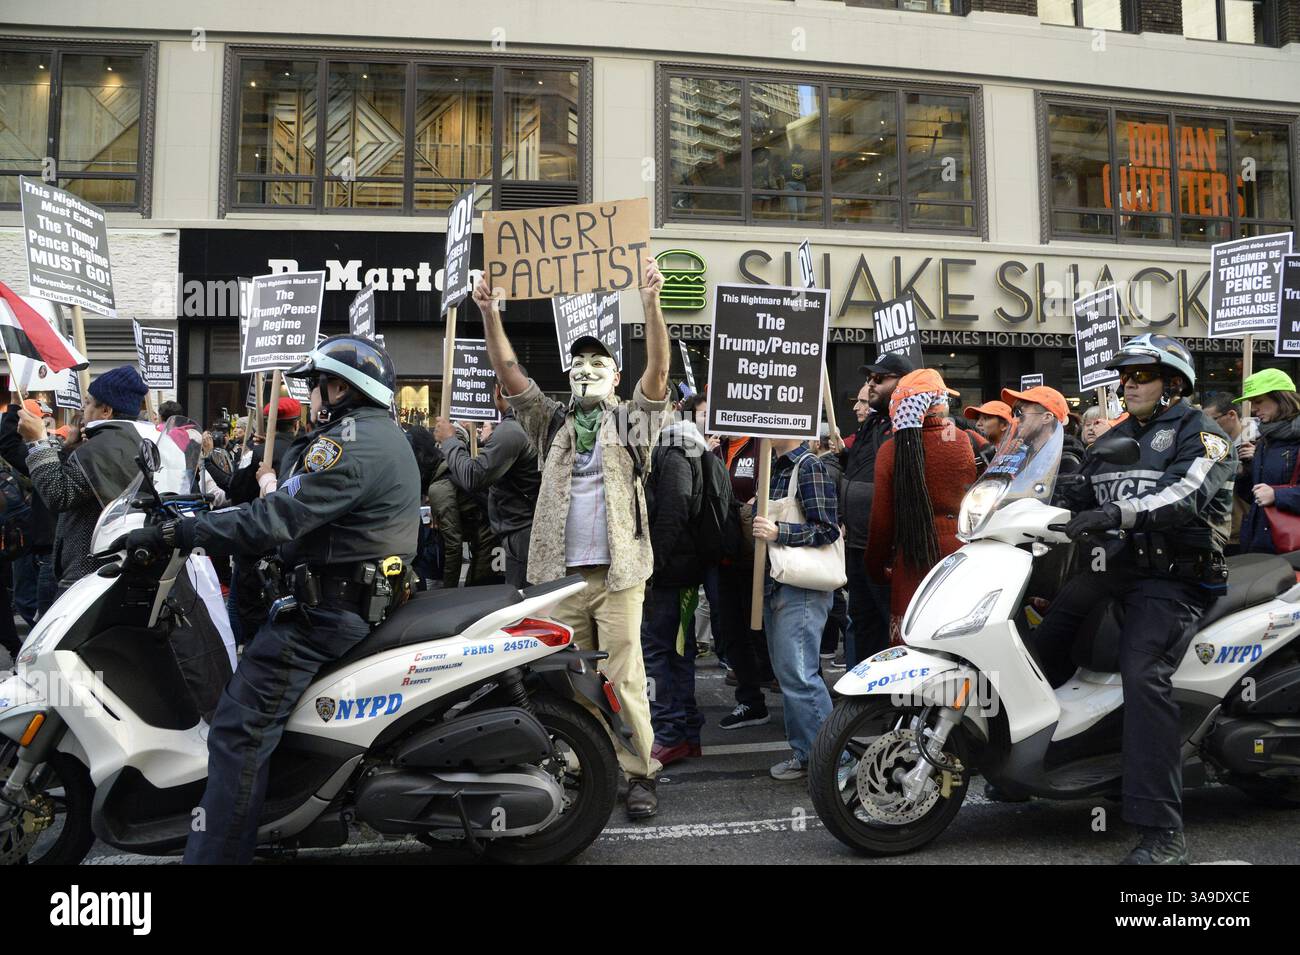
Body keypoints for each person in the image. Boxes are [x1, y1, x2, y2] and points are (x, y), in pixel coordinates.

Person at [126, 335, 421, 864]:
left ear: (341, 388)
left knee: (239, 729)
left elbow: (274, 519)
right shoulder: (374, 435)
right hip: (344, 601)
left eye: (318, 386)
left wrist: (181, 535)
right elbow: (288, 510)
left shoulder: (349, 444)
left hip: (327, 615)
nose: (312, 397)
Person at [476, 259, 670, 820]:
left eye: (599, 363)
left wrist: (651, 304)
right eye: (578, 362)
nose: (587, 369)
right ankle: (585, 765)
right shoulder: (551, 424)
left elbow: (657, 371)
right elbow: (511, 374)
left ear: (614, 376)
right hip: (559, 579)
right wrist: (492, 314)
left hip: (618, 576)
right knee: (567, 682)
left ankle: (639, 772)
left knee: (623, 677)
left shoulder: (632, 423)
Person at [1033, 333, 1233, 865]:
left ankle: (1162, 830)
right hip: (1115, 571)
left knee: (1144, 675)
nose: (1128, 384)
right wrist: (1027, 511)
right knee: (1043, 643)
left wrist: (1117, 515)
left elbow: (1185, 495)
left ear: (1173, 383)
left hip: (1173, 581)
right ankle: (1023, 764)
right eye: (1125, 376)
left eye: (1141, 375)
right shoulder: (1115, 436)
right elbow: (1076, 493)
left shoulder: (1203, 434)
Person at [751, 435, 841, 780]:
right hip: (780, 584)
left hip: (802, 588)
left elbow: (828, 529)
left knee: (800, 676)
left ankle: (833, 762)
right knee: (791, 676)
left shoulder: (809, 467)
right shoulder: (773, 467)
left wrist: (779, 531)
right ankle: (808, 755)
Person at [866, 369, 977, 642]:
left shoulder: (889, 452)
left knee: (911, 647)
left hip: (911, 561)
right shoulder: (966, 441)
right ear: (939, 404)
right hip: (961, 558)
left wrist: (876, 568)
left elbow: (881, 522)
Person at [20, 365, 149, 593]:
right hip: (110, 569)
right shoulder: (133, 439)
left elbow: (59, 494)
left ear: (106, 411)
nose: (83, 407)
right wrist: (68, 450)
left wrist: (37, 441)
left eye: (88, 402)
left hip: (90, 573)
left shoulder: (105, 447)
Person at [640, 408, 709, 767]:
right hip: (677, 572)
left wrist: (653, 566)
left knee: (659, 653)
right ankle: (687, 733)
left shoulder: (675, 449)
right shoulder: (677, 446)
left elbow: (675, 507)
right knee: (677, 653)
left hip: (672, 575)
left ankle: (669, 734)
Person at [433, 374, 541, 590]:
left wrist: (449, 441)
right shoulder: (533, 423)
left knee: (521, 606)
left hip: (522, 533)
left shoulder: (512, 429)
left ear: (499, 391)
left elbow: (473, 477)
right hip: (526, 530)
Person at [839, 353, 909, 669]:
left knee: (894, 628)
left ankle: (898, 700)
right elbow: (857, 469)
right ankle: (864, 700)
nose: (870, 385)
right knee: (863, 621)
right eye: (870, 378)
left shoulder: (908, 425)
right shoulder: (874, 423)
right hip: (858, 544)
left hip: (888, 549)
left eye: (880, 379)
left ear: (902, 382)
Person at [714, 429, 779, 729]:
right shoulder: (714, 449)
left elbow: (782, 492)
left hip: (758, 558)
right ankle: (750, 702)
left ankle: (799, 700)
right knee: (731, 632)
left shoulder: (764, 446)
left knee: (768, 629)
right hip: (721, 556)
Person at [1233, 369, 1300, 556]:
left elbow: (1269, 494)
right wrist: (1242, 473)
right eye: (1252, 402)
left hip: (1290, 549)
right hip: (1259, 544)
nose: (1254, 409)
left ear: (1281, 399)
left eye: (1259, 401)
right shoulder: (1264, 440)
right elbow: (1255, 497)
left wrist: (1277, 495)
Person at [426, 423, 497, 587]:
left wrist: (449, 591)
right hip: (487, 532)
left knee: (479, 589)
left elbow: (453, 545)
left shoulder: (439, 487)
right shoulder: (450, 472)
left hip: (487, 536)